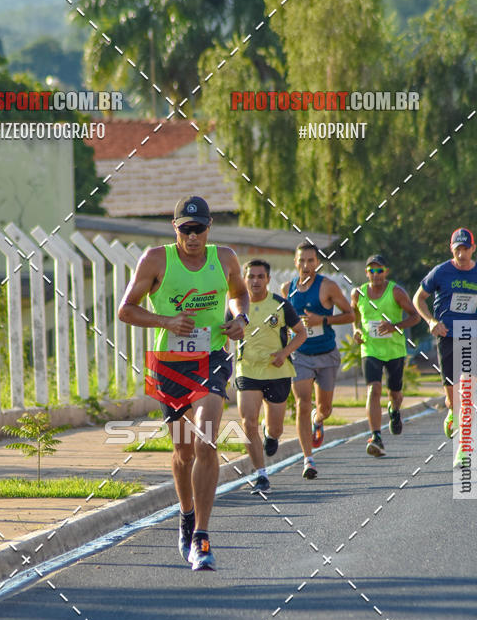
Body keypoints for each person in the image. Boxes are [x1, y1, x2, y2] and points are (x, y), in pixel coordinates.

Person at [117, 195, 249, 572]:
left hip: (212, 357)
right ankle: (187, 514)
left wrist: (240, 318)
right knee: (184, 451)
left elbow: (239, 293)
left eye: (199, 229)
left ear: (209, 228)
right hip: (169, 364)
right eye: (186, 229)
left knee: (206, 439)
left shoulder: (225, 258)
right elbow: (126, 309)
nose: (193, 236)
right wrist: (166, 322)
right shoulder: (156, 260)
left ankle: (202, 536)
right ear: (174, 228)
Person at [281, 242, 355, 479]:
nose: (306, 265)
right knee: (302, 403)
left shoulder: (328, 286)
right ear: (295, 262)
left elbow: (351, 315)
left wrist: (322, 320)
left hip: (326, 354)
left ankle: (318, 419)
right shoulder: (287, 289)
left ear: (317, 263)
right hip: (300, 355)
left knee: (325, 409)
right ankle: (308, 459)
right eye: (301, 260)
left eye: (310, 261)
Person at [233, 259, 307, 493]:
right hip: (247, 370)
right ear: (244, 279)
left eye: (260, 276)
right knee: (248, 422)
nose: (255, 281)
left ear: (267, 279)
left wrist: (284, 353)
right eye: (251, 276)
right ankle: (261, 475)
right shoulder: (236, 306)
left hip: (277, 371)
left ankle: (270, 434)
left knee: (276, 429)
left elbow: (301, 333)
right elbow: (222, 334)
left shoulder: (281, 305)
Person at [413, 227, 477, 452]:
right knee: (452, 399)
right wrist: (431, 321)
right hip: (447, 336)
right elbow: (418, 299)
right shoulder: (440, 272)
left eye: (465, 249)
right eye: (457, 249)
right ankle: (451, 411)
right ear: (451, 249)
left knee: (466, 393)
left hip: (471, 337)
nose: (461, 254)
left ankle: (464, 448)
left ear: (473, 248)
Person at [351, 255, 420, 457]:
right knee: (373, 389)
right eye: (371, 271)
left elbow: (415, 316)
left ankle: (394, 410)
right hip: (370, 349)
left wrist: (394, 326)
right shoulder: (358, 293)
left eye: (379, 270)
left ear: (386, 272)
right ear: (366, 273)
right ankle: (376, 436)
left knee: (395, 393)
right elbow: (354, 314)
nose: (376, 275)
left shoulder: (396, 292)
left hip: (394, 350)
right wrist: (356, 330)